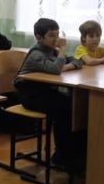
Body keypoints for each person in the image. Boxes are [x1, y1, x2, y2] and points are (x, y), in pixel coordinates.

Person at [14, 18, 84, 172]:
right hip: (30, 96)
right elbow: (56, 69)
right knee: (65, 111)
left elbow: (77, 61)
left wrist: (68, 65)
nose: (56, 39)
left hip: (46, 93)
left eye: (57, 35)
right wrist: (63, 51)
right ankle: (61, 156)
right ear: (39, 37)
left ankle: (75, 154)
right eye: (52, 35)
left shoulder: (51, 50)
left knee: (75, 106)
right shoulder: (36, 54)